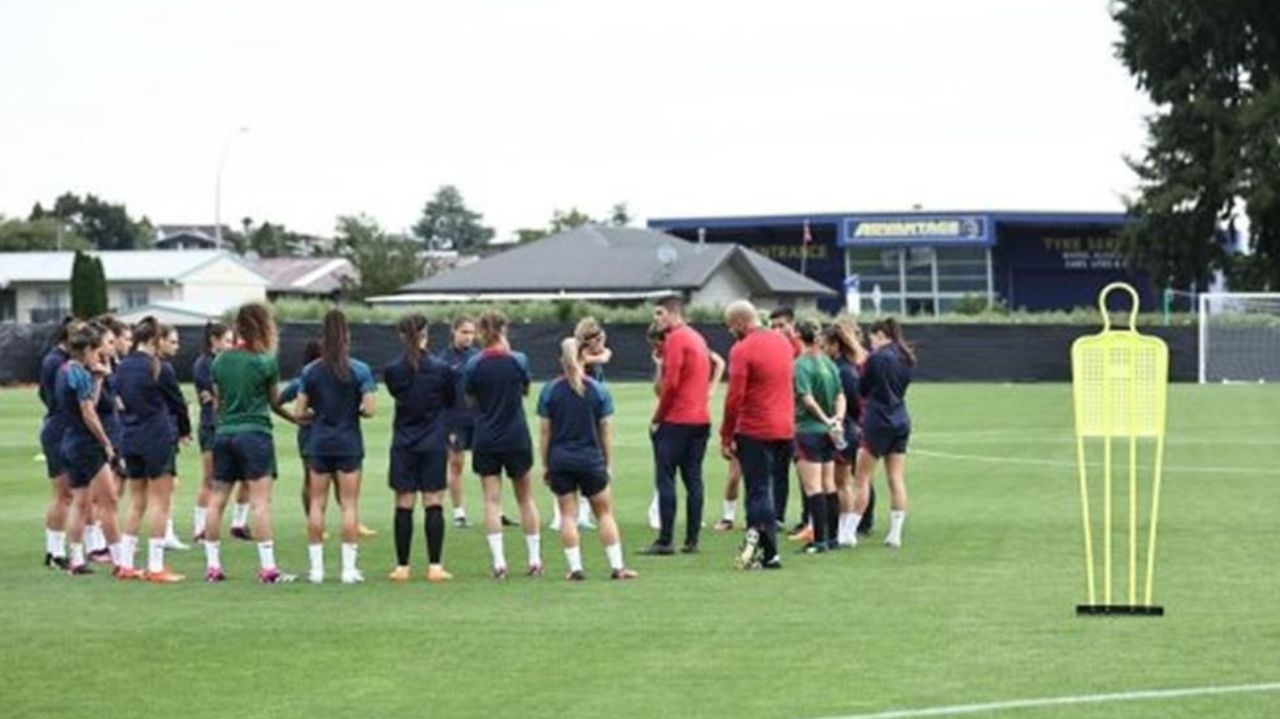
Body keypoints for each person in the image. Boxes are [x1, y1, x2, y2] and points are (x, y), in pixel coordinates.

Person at [203, 302, 303, 583]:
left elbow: (218, 402)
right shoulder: (265, 361)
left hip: (224, 434)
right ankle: (268, 568)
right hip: (255, 434)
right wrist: (295, 419)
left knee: (216, 499)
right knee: (260, 503)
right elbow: (273, 401)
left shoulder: (221, 360)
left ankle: (213, 566)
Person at [538, 337, 636, 581]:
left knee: (567, 515)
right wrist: (607, 462)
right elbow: (605, 430)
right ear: (584, 356)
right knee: (604, 513)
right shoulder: (598, 389)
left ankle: (575, 568)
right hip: (591, 459)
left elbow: (544, 432)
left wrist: (546, 464)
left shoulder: (550, 390)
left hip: (561, 459)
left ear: (561, 359)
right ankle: (617, 567)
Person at [295, 309, 377, 584]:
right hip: (348, 443)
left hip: (319, 443)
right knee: (349, 505)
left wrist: (317, 416)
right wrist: (354, 412)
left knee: (317, 504)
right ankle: (348, 569)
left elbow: (298, 411)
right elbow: (370, 409)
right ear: (347, 337)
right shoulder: (360, 369)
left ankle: (317, 570)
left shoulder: (310, 371)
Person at [463, 310, 542, 579]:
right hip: (516, 435)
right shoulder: (518, 360)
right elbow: (525, 390)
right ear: (504, 331)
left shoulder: (474, 364)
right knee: (525, 497)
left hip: (486, 436)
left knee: (492, 501)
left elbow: (471, 399)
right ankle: (534, 559)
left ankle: (499, 563)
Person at [720, 300, 795, 570]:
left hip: (756, 428)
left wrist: (726, 435)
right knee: (772, 489)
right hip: (785, 428)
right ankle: (758, 549)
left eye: (731, 327)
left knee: (757, 491)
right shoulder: (783, 342)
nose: (731, 332)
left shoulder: (742, 349)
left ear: (740, 323)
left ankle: (768, 553)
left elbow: (734, 397)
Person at [115, 317, 191, 582]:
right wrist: (184, 430)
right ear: (153, 340)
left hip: (130, 437)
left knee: (136, 501)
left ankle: (125, 563)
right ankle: (155, 566)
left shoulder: (122, 367)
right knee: (161, 502)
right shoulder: (159, 368)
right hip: (157, 438)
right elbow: (178, 404)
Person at [384, 314, 456, 582]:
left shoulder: (393, 370)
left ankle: (402, 566)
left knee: (404, 503)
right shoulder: (442, 369)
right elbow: (450, 400)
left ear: (402, 336)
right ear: (426, 333)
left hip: (404, 441)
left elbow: (397, 394)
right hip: (434, 440)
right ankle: (435, 566)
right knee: (433, 502)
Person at [644, 297, 712, 556]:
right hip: (700, 419)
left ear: (673, 313)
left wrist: (658, 417)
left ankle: (665, 540)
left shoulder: (675, 339)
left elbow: (670, 384)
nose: (656, 319)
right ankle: (692, 539)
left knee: (666, 478)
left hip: (677, 420)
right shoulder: (697, 337)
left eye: (659, 313)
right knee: (693, 479)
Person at [56, 323, 122, 575]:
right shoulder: (79, 374)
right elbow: (89, 413)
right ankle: (120, 561)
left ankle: (76, 559)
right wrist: (106, 442)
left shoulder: (66, 371)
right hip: (86, 444)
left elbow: (87, 401)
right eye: (96, 352)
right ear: (88, 350)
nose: (99, 357)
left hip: (69, 441)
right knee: (109, 501)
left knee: (80, 502)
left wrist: (97, 380)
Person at [853, 317, 915, 548]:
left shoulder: (877, 358)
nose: (870, 343)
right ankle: (895, 533)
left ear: (880, 334)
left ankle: (849, 531)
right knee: (896, 477)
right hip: (900, 418)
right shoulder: (906, 356)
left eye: (872, 338)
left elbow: (863, 387)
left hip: (878, 419)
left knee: (862, 477)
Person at [548, 316, 612, 532]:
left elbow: (605, 355)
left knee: (582, 464)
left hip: (591, 408)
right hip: (576, 405)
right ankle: (561, 514)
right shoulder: (579, 355)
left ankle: (582, 513)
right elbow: (600, 358)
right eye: (598, 338)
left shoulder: (588, 355)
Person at [791, 319, 845, 554]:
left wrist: (824, 419)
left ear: (797, 337)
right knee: (829, 484)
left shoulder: (801, 365)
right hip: (829, 433)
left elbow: (806, 398)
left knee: (813, 487)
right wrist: (837, 420)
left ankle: (819, 540)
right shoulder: (828, 363)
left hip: (808, 430)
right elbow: (840, 395)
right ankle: (833, 538)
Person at [823, 321, 877, 545]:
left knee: (844, 481)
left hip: (844, 431)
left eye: (826, 344)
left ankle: (847, 529)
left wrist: (847, 422)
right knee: (842, 480)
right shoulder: (841, 367)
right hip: (844, 429)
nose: (824, 349)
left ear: (836, 345)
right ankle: (844, 528)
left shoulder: (844, 371)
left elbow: (855, 403)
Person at [191, 322, 245, 542]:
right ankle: (199, 527)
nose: (231, 345)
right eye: (227, 341)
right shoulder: (204, 364)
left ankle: (239, 524)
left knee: (243, 477)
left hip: (230, 425)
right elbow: (213, 398)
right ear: (214, 340)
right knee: (210, 478)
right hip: (211, 426)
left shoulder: (228, 362)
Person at [437, 316, 480, 529]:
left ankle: (495, 509)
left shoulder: (478, 357)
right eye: (464, 332)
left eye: (471, 333)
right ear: (453, 331)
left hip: (479, 419)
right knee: (456, 464)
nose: (468, 337)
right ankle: (458, 512)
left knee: (488, 464)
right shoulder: (443, 360)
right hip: (454, 420)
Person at [768, 305, 807, 539]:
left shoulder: (799, 352)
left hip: (800, 421)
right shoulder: (774, 350)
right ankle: (777, 516)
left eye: (781, 325)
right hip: (781, 420)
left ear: (792, 325)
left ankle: (807, 518)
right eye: (773, 326)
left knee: (805, 472)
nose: (777, 330)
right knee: (778, 471)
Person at [39, 318, 74, 570]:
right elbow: (49, 395)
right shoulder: (56, 361)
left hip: (62, 428)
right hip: (59, 430)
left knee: (67, 493)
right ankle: (55, 551)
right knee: (63, 493)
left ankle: (55, 549)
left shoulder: (60, 360)